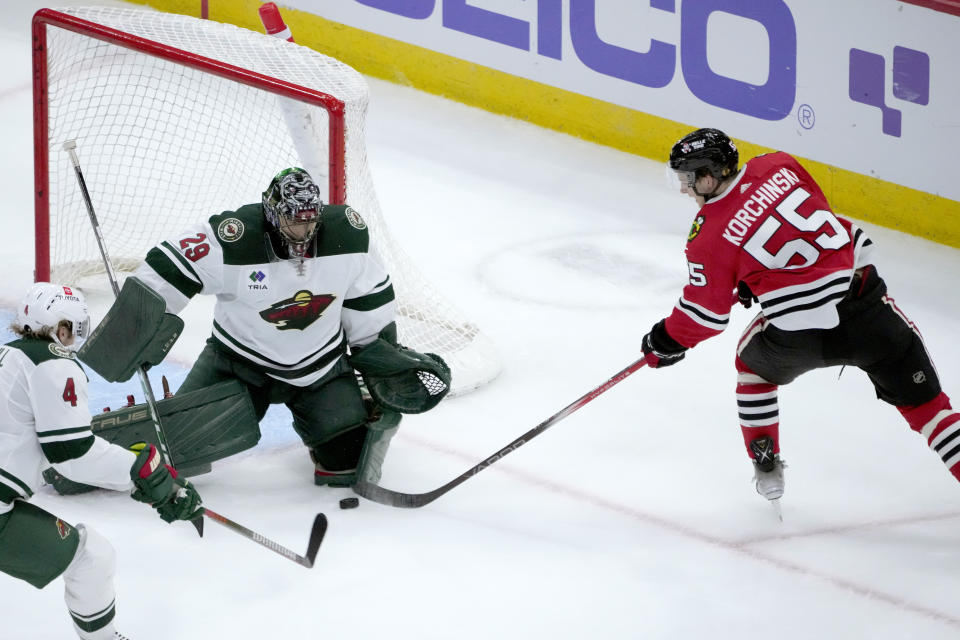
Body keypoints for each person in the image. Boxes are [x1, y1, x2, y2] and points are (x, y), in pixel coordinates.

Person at [642, 128, 960, 504]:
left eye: (687, 179)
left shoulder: (706, 236)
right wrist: (757, 270)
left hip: (796, 334)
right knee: (930, 411)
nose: (683, 189)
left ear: (709, 176)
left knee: (753, 373)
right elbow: (817, 215)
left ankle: (767, 467)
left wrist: (665, 340)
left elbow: (706, 316)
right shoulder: (779, 164)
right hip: (865, 308)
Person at [110, 167, 449, 486]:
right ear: (271, 213)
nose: (303, 231)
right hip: (237, 363)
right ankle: (94, 457)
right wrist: (135, 329)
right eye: (293, 220)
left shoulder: (348, 235)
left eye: (310, 220)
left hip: (321, 368)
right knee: (174, 452)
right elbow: (167, 268)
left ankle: (352, 401)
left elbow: (369, 300)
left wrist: (376, 352)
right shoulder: (234, 236)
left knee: (348, 461)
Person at [0, 282, 204, 640]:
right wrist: (144, 473)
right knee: (91, 557)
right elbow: (72, 455)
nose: (71, 342)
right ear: (63, 328)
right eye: (73, 331)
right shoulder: (51, 361)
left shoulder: (8, 356)